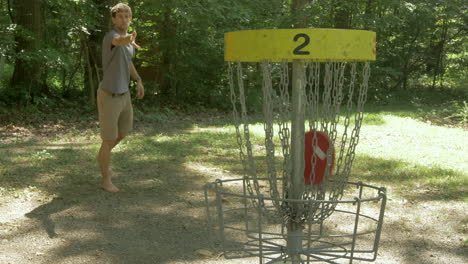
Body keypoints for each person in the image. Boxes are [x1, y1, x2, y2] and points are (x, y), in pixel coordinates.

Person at [96, 3, 144, 192]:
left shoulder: (128, 42)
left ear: (130, 19)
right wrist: (129, 39)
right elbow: (120, 41)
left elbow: (128, 61)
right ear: (114, 19)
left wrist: (138, 80)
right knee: (109, 140)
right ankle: (106, 179)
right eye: (120, 17)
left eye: (127, 17)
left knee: (122, 133)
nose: (124, 20)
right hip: (109, 95)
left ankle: (102, 155)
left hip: (124, 96)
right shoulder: (112, 37)